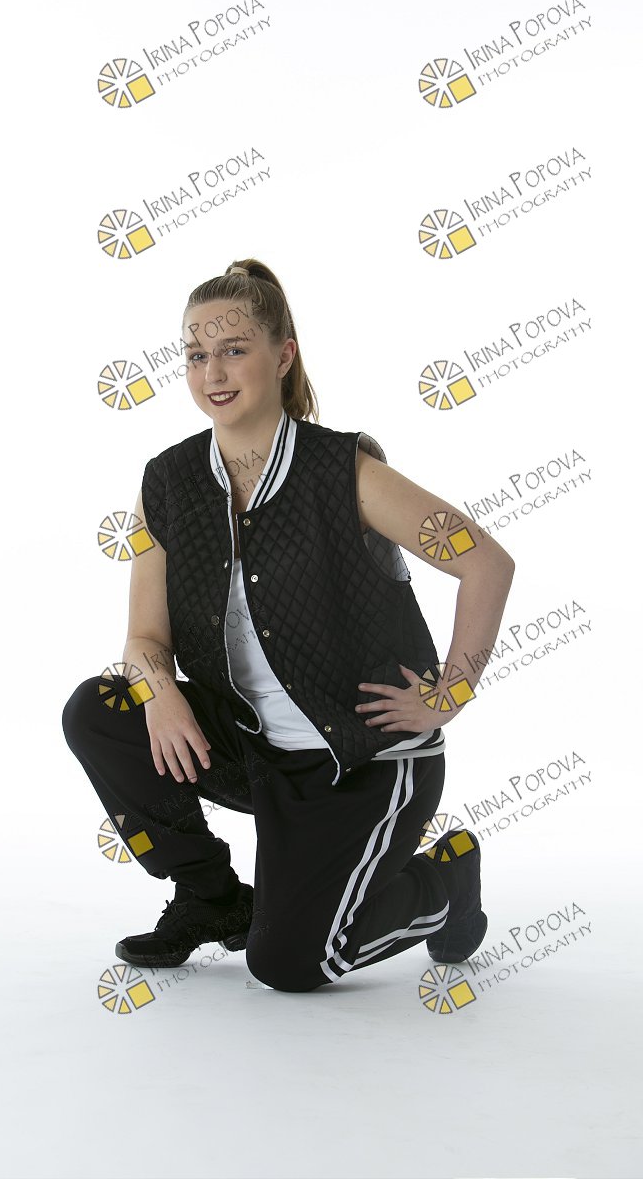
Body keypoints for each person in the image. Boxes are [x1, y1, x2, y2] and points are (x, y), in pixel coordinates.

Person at [61, 259, 515, 993]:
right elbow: (144, 640)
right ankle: (211, 895)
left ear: (282, 355)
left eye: (233, 349)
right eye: (195, 354)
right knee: (101, 708)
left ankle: (445, 880)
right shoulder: (168, 482)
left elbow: (485, 562)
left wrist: (450, 693)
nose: (212, 372)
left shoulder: (343, 471)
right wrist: (159, 693)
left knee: (291, 965)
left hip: (359, 758)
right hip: (253, 749)